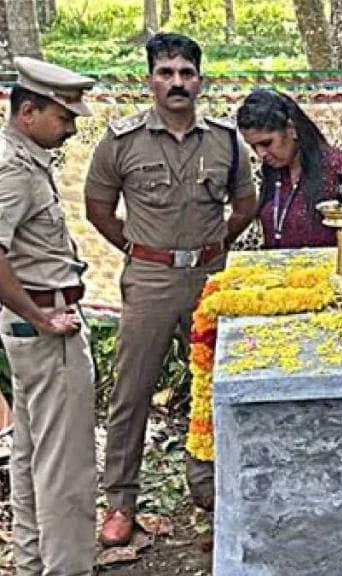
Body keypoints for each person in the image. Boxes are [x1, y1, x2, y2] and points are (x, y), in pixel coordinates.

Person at [85, 33, 258, 546]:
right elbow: (98, 210)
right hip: (151, 280)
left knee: (220, 387)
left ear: (200, 80)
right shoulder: (121, 142)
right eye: (166, 73)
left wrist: (213, 244)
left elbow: (243, 205)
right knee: (132, 392)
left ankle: (216, 492)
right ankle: (120, 501)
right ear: (150, 80)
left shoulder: (227, 140)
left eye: (186, 73)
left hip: (212, 278)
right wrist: (144, 251)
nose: (177, 82)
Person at [0, 57, 96, 575]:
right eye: (65, 117)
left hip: (32, 327)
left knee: (31, 455)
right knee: (66, 469)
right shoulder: (13, 171)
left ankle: (34, 564)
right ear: (28, 111)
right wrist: (39, 316)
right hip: (47, 327)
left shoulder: (22, 158)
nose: (73, 127)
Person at [236, 89, 342, 248]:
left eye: (266, 143)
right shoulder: (274, 173)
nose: (261, 154)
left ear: (291, 129)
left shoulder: (338, 170)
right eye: (253, 146)